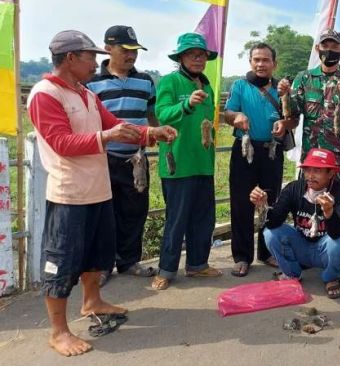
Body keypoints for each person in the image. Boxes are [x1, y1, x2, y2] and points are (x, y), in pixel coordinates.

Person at [27, 30, 176, 356]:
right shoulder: (45, 94)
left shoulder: (84, 93)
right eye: (90, 56)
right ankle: (58, 331)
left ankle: (92, 301)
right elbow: (61, 143)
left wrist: (152, 132)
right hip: (69, 194)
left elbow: (115, 123)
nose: (96, 62)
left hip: (98, 189)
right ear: (71, 58)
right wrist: (107, 136)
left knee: (99, 252)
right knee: (62, 261)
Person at [278, 29, 340, 281]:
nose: (329, 51)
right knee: (309, 203)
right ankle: (311, 253)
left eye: (334, 47)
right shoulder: (303, 79)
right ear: (318, 49)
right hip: (313, 158)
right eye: (325, 46)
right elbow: (291, 117)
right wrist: (284, 94)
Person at [86, 25, 158, 286]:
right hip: (104, 157)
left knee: (135, 210)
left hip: (136, 158)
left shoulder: (146, 81)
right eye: (125, 50)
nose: (131, 56)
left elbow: (151, 115)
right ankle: (102, 265)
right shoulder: (91, 82)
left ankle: (128, 261)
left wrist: (156, 135)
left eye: (134, 51)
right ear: (108, 49)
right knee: (104, 213)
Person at [152, 32, 221, 291]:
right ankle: (166, 270)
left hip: (203, 163)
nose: (197, 58)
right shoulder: (170, 82)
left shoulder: (208, 86)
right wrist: (187, 105)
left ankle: (197, 265)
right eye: (192, 54)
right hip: (178, 164)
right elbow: (162, 114)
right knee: (176, 219)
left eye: (201, 54)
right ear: (180, 57)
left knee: (204, 218)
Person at [251, 148, 340, 299]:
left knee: (339, 244)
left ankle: (331, 277)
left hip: (325, 250)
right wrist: (262, 205)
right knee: (270, 233)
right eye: (307, 170)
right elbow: (274, 222)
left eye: (318, 171)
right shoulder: (294, 189)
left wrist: (329, 212)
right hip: (301, 246)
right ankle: (292, 273)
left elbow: (338, 234)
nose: (310, 175)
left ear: (331, 173)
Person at [225, 43, 293, 277]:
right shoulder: (240, 86)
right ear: (250, 62)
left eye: (265, 60)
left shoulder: (282, 89)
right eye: (256, 59)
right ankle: (242, 257)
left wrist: (284, 124)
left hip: (271, 152)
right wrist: (237, 116)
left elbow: (292, 119)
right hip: (244, 151)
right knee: (241, 203)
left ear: (275, 63)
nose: (261, 64)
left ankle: (267, 252)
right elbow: (228, 113)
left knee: (271, 202)